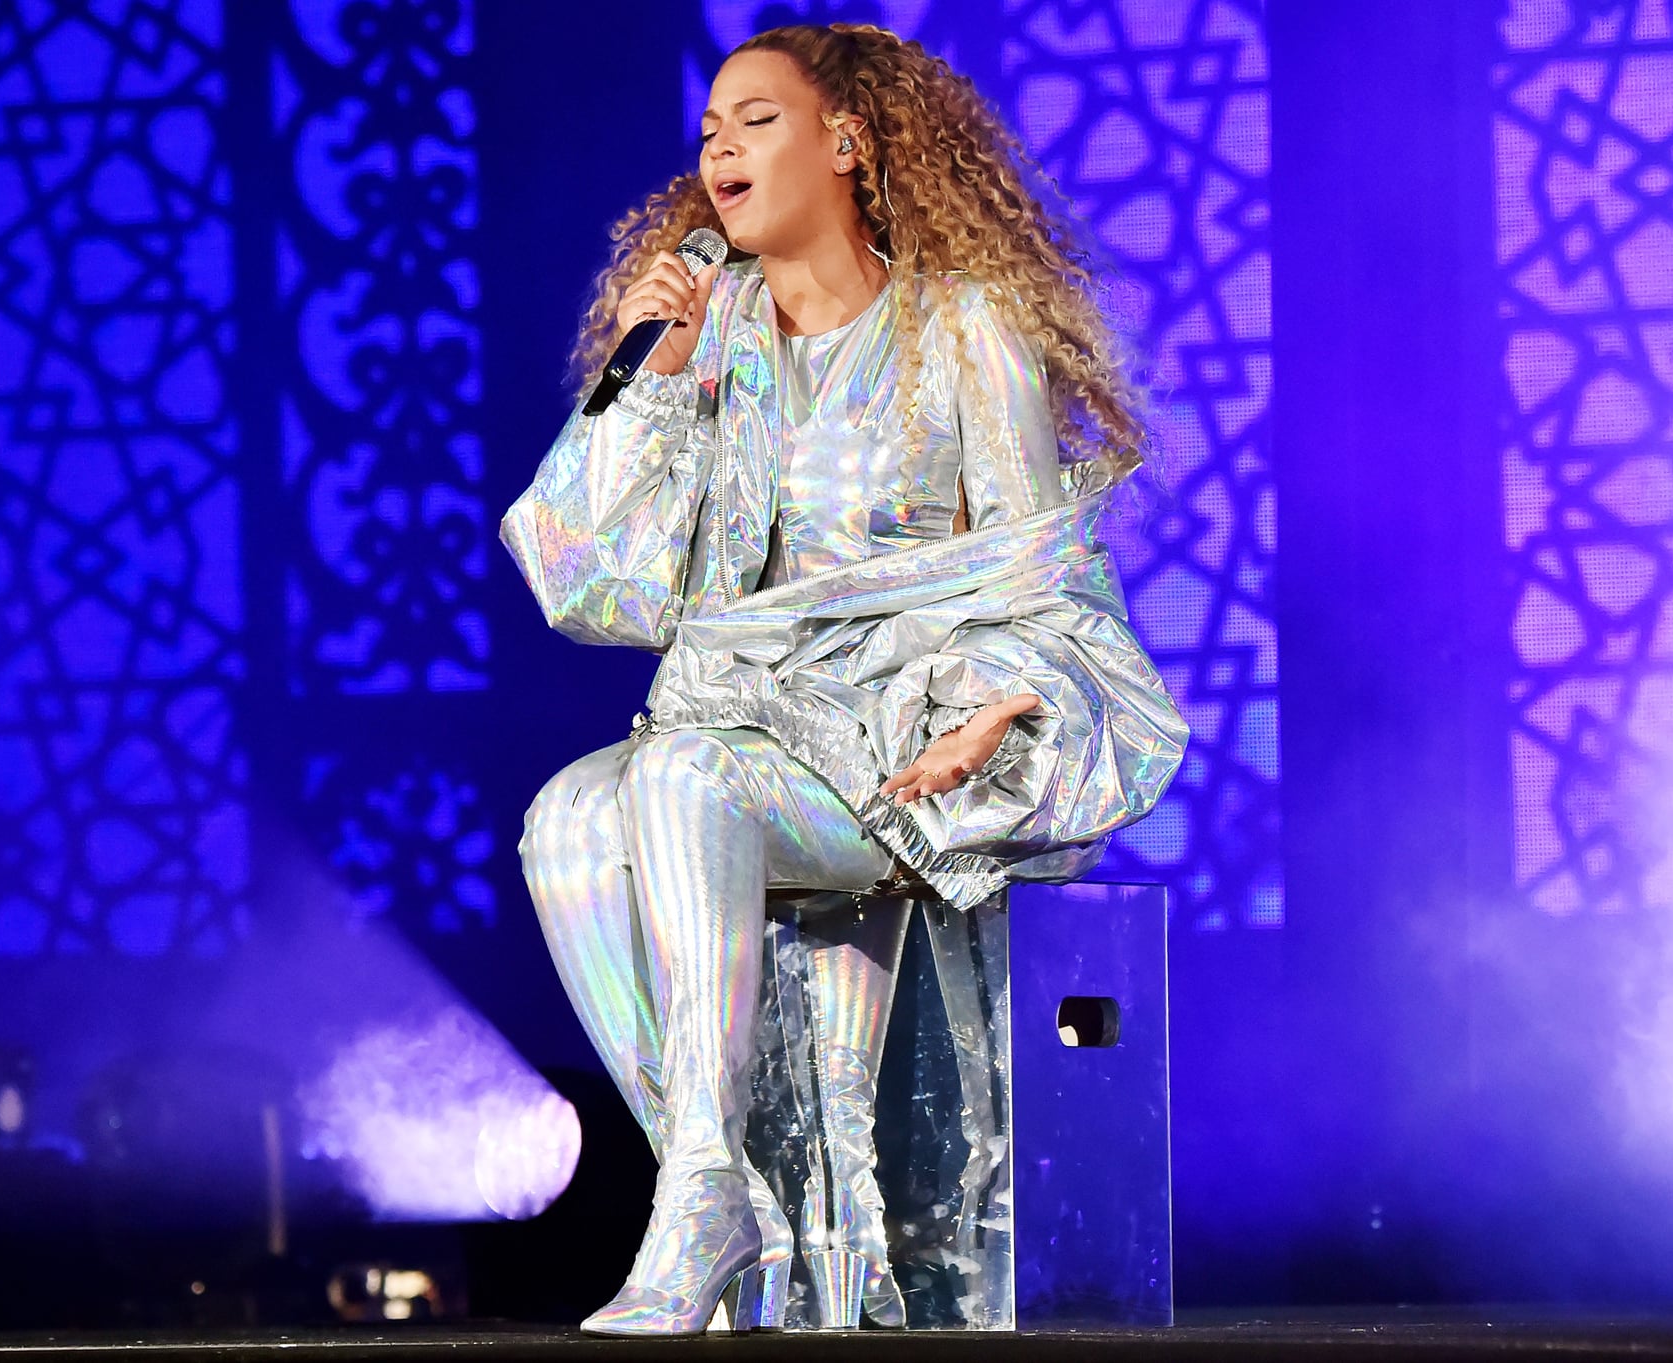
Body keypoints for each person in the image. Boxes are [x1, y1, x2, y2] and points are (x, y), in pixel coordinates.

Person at [498, 22, 1188, 1336]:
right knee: (567, 824)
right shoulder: (711, 344)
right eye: (708, 128)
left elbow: (1038, 576)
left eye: (755, 117)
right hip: (747, 733)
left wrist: (987, 719)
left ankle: (709, 1197)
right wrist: (645, 385)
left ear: (848, 141)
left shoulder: (962, 331)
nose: (718, 145)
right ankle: (718, 1180)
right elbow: (594, 584)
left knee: (681, 776)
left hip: (912, 749)